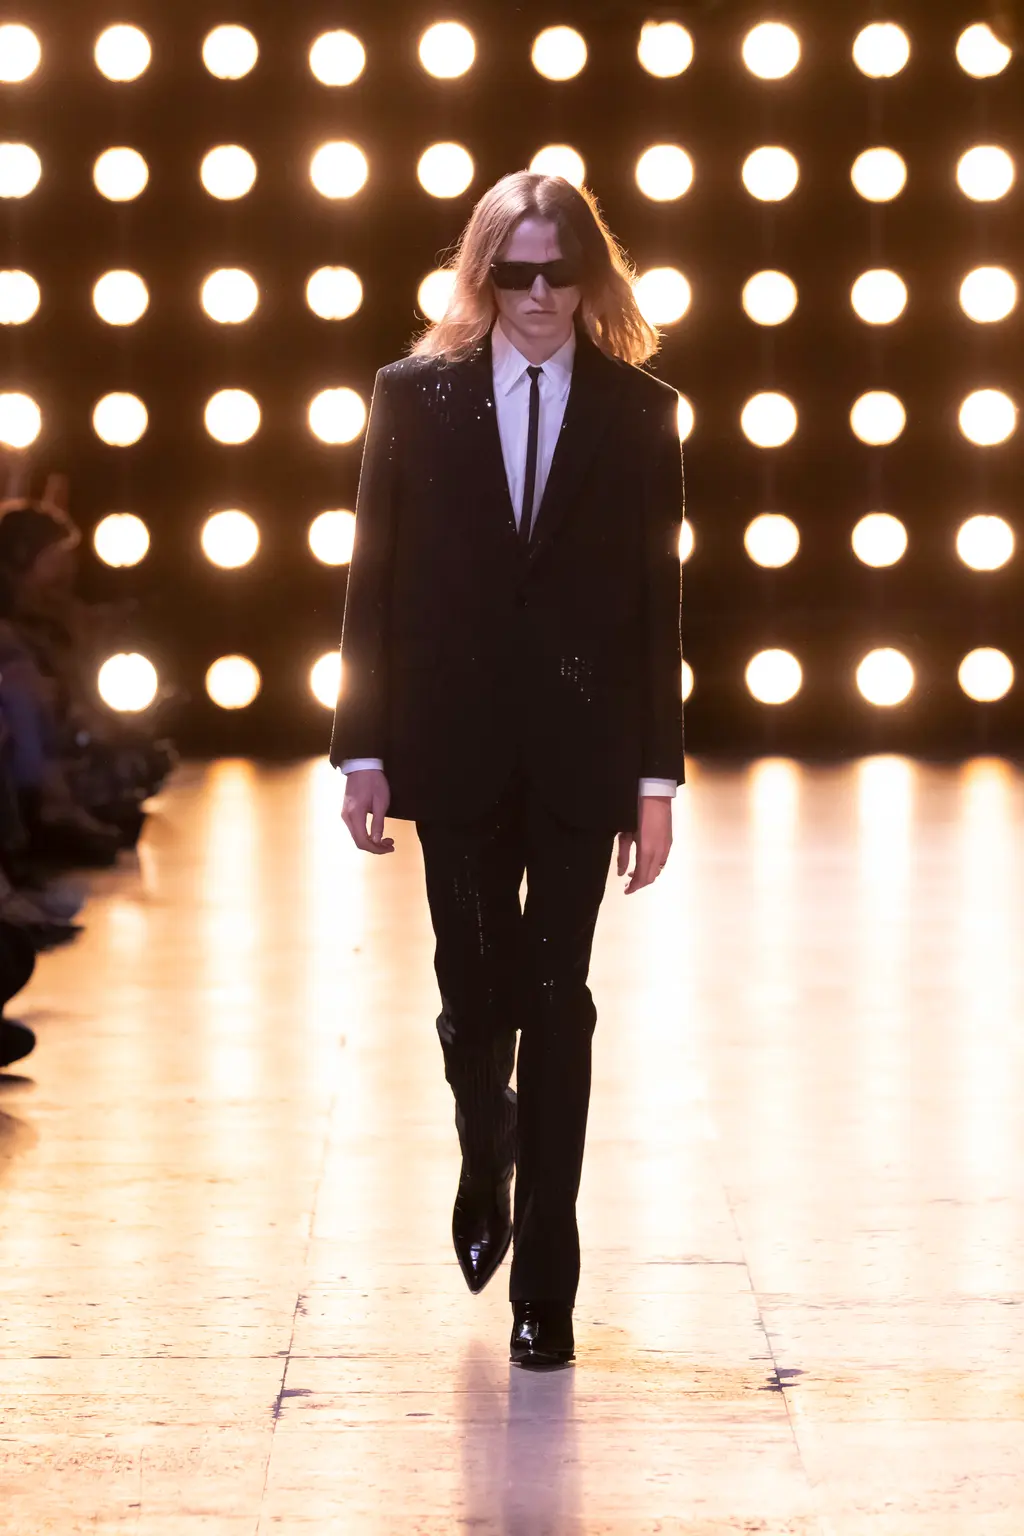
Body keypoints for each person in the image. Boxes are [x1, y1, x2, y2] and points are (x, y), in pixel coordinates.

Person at [330, 171, 685, 1369]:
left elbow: (656, 603)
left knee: (555, 998)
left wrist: (654, 780)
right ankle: (488, 1147)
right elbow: (372, 575)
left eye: (557, 272)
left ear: (590, 276)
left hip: (584, 747)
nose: (537, 296)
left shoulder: (641, 411)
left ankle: (548, 1289)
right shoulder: (411, 396)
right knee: (472, 997)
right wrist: (362, 747)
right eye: (514, 273)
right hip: (451, 737)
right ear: (481, 276)